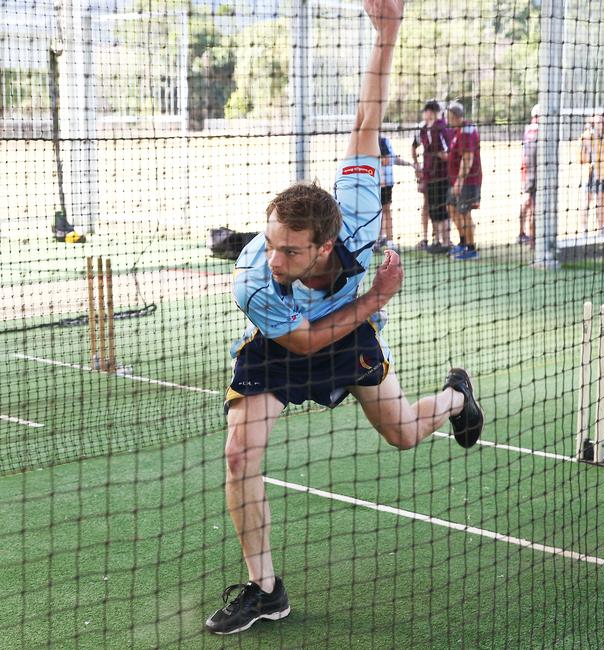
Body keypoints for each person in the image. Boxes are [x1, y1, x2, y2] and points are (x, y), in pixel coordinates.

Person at [205, 0, 484, 636]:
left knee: (406, 435)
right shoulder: (254, 282)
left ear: (325, 244)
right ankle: (265, 588)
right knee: (239, 454)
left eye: (291, 250)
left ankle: (455, 398)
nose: (275, 258)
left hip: (351, 331)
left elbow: (368, 115)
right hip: (286, 340)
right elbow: (302, 343)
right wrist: (376, 300)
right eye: (272, 243)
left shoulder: (355, 210)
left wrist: (387, 33)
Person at [411, 100, 451, 253]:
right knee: (432, 208)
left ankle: (445, 241)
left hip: (441, 176)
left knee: (442, 208)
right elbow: (413, 146)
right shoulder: (422, 128)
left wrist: (439, 156)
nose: (425, 114)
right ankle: (436, 240)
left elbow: (448, 153)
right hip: (428, 175)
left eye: (427, 111)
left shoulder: (441, 128)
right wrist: (417, 166)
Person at [445, 101, 482, 260]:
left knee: (465, 212)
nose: (447, 119)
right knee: (451, 208)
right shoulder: (457, 130)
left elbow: (468, 157)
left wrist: (459, 181)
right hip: (456, 180)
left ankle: (471, 248)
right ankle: (462, 243)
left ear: (456, 117)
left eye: (449, 117)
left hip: (468, 180)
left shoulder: (467, 131)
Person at [374, 133, 413, 252]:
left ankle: (386, 241)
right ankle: (380, 241)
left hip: (387, 183)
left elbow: (392, 159)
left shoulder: (385, 140)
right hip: (379, 183)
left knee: (384, 211)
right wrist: (381, 176)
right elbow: (382, 160)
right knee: (380, 212)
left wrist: (410, 164)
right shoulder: (377, 140)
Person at [583, 114, 604, 233]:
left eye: (601, 122)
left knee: (601, 203)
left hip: (603, 174)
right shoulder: (586, 136)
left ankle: (601, 229)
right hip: (590, 174)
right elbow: (581, 158)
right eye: (597, 122)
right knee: (587, 202)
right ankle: (583, 229)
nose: (599, 125)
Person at [518, 104, 538, 246]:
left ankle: (522, 234)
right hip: (535, 174)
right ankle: (532, 240)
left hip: (528, 173)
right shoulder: (538, 131)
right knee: (533, 208)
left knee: (526, 203)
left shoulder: (528, 130)